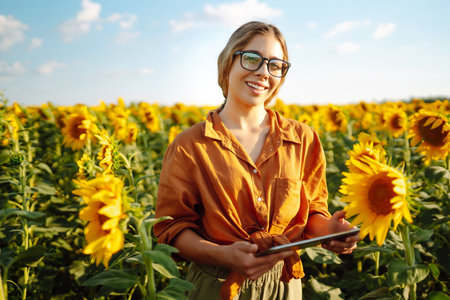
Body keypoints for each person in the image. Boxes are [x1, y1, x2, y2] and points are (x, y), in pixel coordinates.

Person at [154, 20, 359, 300]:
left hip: (285, 285)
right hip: (216, 284)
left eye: (275, 65)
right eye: (252, 59)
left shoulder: (303, 138)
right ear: (228, 63)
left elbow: (311, 213)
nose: (263, 72)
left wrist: (330, 231)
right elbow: (172, 228)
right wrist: (223, 255)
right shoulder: (190, 145)